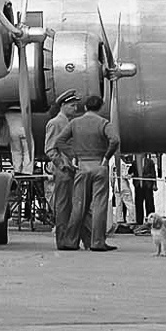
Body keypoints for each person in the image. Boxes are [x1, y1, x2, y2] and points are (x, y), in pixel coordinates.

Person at [53, 94, 121, 251]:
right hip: (99, 165)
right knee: (99, 205)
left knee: (78, 204)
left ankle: (71, 241)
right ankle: (97, 242)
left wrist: (73, 155)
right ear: (101, 108)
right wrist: (106, 157)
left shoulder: (75, 123)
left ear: (85, 107)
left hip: (82, 166)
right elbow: (115, 140)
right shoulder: (104, 123)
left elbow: (59, 141)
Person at [44, 91, 86, 250]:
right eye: (72, 105)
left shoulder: (69, 122)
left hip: (72, 169)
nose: (75, 108)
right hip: (64, 170)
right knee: (63, 206)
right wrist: (62, 165)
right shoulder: (55, 123)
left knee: (74, 206)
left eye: (76, 105)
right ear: (63, 105)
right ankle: (63, 241)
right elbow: (50, 149)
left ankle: (72, 239)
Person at [130, 153, 158, 225]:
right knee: (138, 204)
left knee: (149, 203)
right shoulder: (134, 162)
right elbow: (130, 171)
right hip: (138, 186)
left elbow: (153, 173)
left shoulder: (150, 162)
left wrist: (155, 184)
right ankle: (139, 221)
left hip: (148, 185)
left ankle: (151, 222)